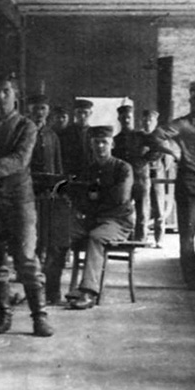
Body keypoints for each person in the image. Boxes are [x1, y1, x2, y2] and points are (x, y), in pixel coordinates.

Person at [0, 79, 53, 337]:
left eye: (6, 91)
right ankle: (3, 316)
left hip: (19, 200)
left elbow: (21, 159)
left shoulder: (26, 126)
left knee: (26, 259)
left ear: (15, 95)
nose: (1, 96)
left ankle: (39, 317)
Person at [63, 125, 134, 310]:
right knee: (63, 232)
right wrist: (87, 198)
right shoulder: (89, 169)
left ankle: (88, 293)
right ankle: (51, 289)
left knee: (96, 237)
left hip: (118, 221)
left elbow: (120, 198)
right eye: (96, 143)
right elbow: (80, 198)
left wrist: (96, 195)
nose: (100, 146)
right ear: (91, 145)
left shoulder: (123, 168)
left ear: (112, 144)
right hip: (94, 219)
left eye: (104, 142)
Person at [156, 82, 195, 289]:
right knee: (187, 236)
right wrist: (174, 151)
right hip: (189, 184)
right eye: (194, 98)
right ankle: (192, 280)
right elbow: (157, 135)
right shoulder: (182, 124)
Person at [44, 97, 94, 303]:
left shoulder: (95, 135)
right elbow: (59, 161)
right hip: (68, 186)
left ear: (90, 115)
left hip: (88, 188)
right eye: (79, 113)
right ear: (75, 114)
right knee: (59, 236)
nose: (82, 116)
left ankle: (86, 289)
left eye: (85, 113)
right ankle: (52, 291)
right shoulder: (64, 134)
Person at [112, 103, 157, 243]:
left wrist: (144, 160)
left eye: (129, 117)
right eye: (123, 117)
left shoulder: (142, 136)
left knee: (142, 210)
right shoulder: (116, 139)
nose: (126, 120)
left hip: (141, 178)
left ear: (133, 118)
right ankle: (124, 237)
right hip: (124, 180)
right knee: (123, 210)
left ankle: (140, 240)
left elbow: (158, 148)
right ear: (119, 119)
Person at [26, 92, 63, 261]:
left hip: (48, 184)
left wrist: (59, 183)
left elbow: (57, 161)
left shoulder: (52, 135)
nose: (39, 113)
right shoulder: (24, 131)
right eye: (36, 109)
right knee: (30, 219)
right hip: (28, 183)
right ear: (29, 110)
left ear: (48, 111)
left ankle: (43, 252)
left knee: (46, 219)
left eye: (43, 109)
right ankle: (30, 253)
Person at [140, 109, 176, 246]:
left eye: (151, 120)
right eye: (145, 120)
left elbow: (168, 160)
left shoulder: (161, 138)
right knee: (143, 208)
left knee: (159, 208)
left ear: (155, 122)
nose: (148, 123)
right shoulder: (139, 137)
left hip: (157, 175)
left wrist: (158, 166)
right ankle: (141, 238)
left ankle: (159, 238)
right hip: (142, 175)